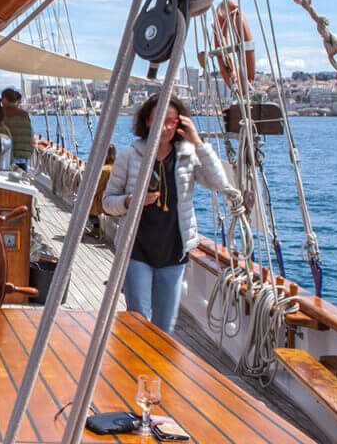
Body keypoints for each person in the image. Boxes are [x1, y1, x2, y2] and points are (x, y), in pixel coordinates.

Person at [100, 94, 238, 334]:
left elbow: (219, 183)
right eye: (158, 119)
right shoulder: (129, 156)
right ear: (146, 121)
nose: (164, 127)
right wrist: (131, 201)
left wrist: (198, 142)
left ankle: (155, 371)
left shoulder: (188, 157)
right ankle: (135, 370)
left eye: (171, 121)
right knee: (138, 320)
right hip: (136, 249)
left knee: (164, 327)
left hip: (174, 252)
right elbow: (107, 203)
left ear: (180, 124)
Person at [1, 88, 33, 171]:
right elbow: (31, 135)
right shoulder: (25, 115)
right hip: (23, 156)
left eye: (1, 99)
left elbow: (1, 134)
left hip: (8, 157)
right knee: (22, 180)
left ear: (5, 99)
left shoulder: (2, 113)